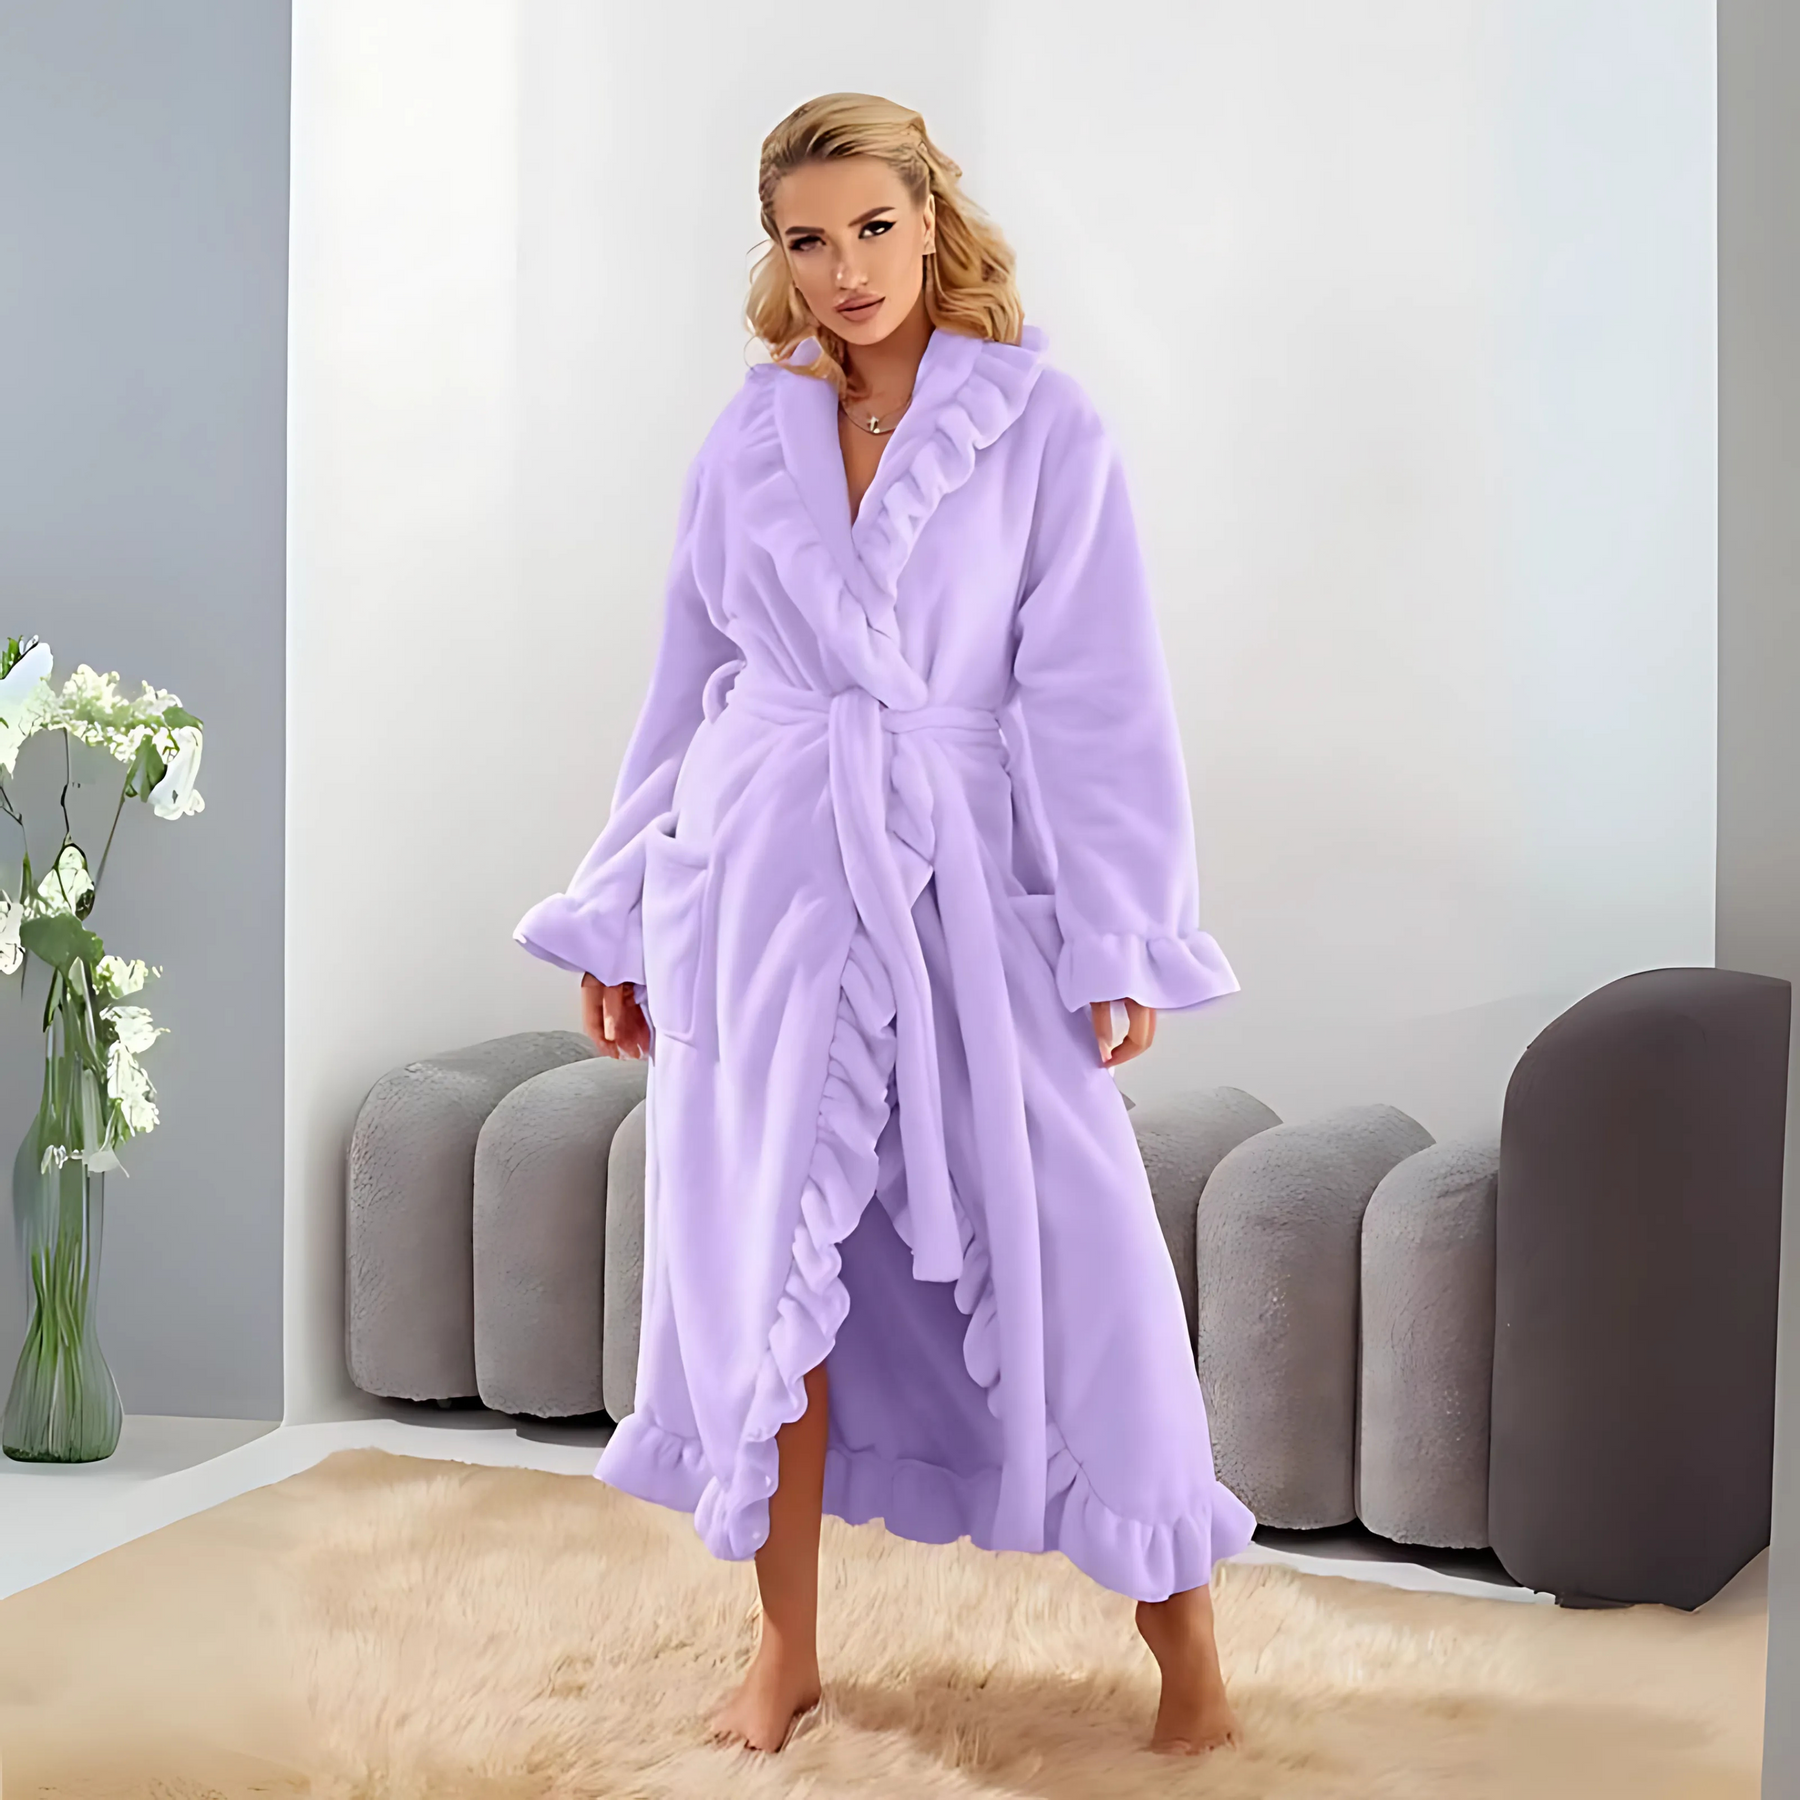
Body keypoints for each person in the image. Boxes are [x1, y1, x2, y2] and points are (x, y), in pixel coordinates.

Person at [514, 91, 1254, 1758]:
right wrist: (621, 915)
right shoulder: (747, 439)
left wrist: (1122, 928)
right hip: (761, 882)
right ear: (775, 254)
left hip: (962, 887)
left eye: (870, 227)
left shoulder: (1042, 426)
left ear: (930, 218)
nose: (844, 269)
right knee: (763, 1264)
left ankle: (1193, 1656)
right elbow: (687, 689)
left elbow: (1100, 697)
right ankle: (783, 1651)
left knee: (1083, 1250)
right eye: (807, 239)